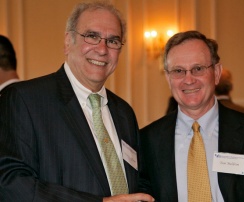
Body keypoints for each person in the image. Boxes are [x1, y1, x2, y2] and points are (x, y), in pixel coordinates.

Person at [0, 1, 154, 202]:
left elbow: (137, 180)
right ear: (67, 42)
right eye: (92, 36)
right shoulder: (25, 100)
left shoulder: (124, 112)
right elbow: (10, 182)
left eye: (113, 41)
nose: (102, 49)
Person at [139, 30, 244, 201]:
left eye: (198, 69)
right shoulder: (147, 140)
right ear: (168, 78)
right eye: (178, 71)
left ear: (217, 72)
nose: (189, 80)